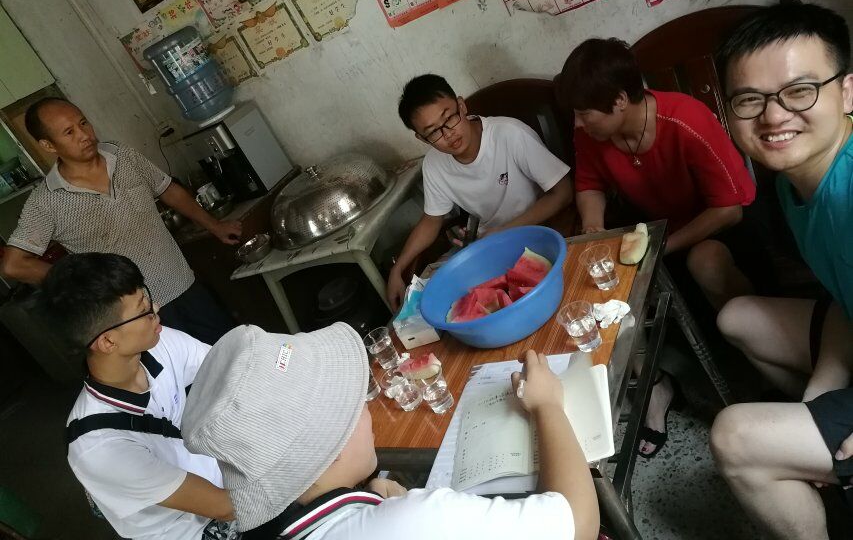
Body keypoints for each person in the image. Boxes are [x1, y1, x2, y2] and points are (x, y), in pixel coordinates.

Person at [182, 323, 601, 540]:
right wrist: (547, 405)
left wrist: (374, 505)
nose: (368, 412)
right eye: (357, 405)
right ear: (329, 447)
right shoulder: (415, 522)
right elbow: (578, 524)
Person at [556, 38, 757, 458]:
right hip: (656, 233)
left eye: (584, 113)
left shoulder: (685, 119)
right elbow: (589, 184)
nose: (579, 124)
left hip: (714, 228)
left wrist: (663, 247)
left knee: (706, 262)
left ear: (619, 100)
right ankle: (656, 386)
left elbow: (730, 209)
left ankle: (756, 358)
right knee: (603, 286)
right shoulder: (592, 135)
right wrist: (594, 228)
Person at [709, 2, 853, 540]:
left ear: (847, 92)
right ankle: (819, 446)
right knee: (737, 317)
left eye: (800, 90)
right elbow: (844, 297)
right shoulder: (796, 186)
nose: (773, 117)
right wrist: (820, 393)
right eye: (750, 99)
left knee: (734, 438)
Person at [3, 97, 240, 344]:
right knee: (183, 369)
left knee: (230, 351)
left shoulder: (121, 155)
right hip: (136, 316)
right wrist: (83, 283)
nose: (84, 135)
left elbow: (167, 189)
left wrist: (215, 226)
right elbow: (13, 265)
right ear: (48, 145)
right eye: (69, 132)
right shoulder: (46, 200)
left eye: (83, 123)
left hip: (184, 284)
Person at [47, 253, 238, 540]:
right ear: (108, 341)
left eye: (146, 296)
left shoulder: (159, 345)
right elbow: (224, 507)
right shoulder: (99, 447)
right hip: (191, 529)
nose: (156, 308)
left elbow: (231, 368)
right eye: (143, 309)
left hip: (222, 478)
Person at [385, 75, 572, 311]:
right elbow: (432, 220)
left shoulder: (509, 134)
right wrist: (397, 269)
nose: (448, 134)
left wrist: (502, 231)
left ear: (461, 106)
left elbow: (563, 192)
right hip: (489, 247)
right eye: (433, 132)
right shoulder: (434, 164)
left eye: (449, 118)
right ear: (421, 138)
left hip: (541, 233)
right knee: (451, 304)